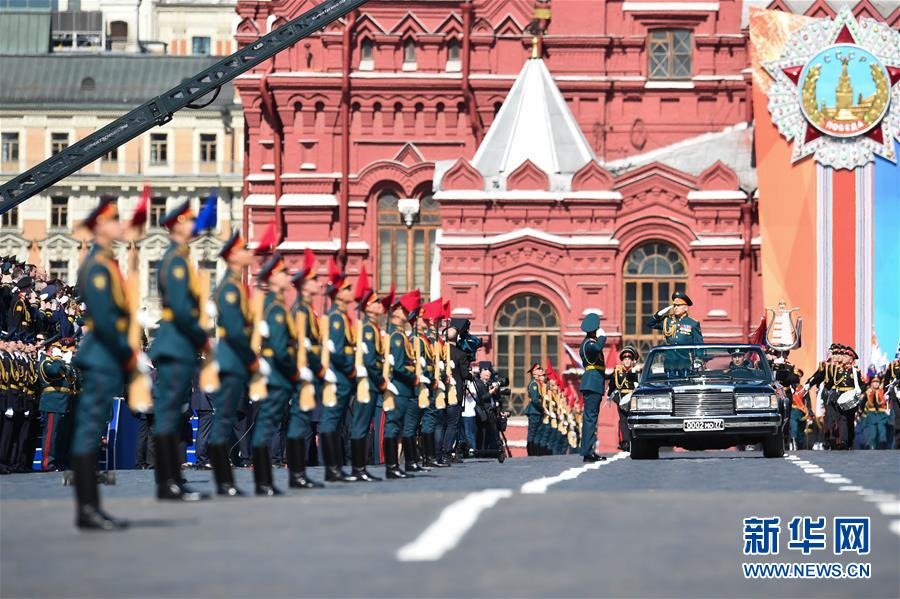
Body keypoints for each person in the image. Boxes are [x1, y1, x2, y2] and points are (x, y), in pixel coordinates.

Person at [69, 195, 138, 530]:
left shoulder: (107, 261)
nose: (120, 226)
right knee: (88, 430)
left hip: (107, 352)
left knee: (93, 428)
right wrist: (127, 354)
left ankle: (92, 507)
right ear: (100, 227)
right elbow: (105, 315)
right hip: (102, 352)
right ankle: (86, 509)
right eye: (114, 221)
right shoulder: (97, 264)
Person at [148, 200, 209, 501]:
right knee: (169, 415)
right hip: (175, 341)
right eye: (190, 221)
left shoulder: (181, 258)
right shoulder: (174, 260)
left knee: (176, 415)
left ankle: (173, 479)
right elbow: (182, 308)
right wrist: (204, 339)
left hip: (181, 342)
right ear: (176, 225)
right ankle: (167, 481)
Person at [208, 231, 266, 496]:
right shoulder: (230, 289)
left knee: (225, 417)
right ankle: (223, 481)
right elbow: (235, 328)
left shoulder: (235, 287)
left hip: (234, 360)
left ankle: (225, 480)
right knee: (223, 420)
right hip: (232, 360)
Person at [253, 252, 297, 495]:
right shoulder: (275, 308)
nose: (287, 277)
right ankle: (263, 480)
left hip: (276, 371)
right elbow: (280, 347)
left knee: (269, 424)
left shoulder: (275, 305)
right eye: (282, 273)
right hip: (276, 372)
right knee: (267, 425)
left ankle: (264, 479)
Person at [286, 249, 324, 489]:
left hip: (308, 376)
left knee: (305, 424)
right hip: (300, 376)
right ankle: (296, 471)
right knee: (300, 424)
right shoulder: (300, 311)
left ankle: (300, 471)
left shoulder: (308, 312)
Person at [320, 262, 358, 482]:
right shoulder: (335, 318)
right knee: (330, 422)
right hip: (338, 376)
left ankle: (335, 467)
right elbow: (335, 350)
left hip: (342, 377)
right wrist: (350, 368)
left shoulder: (342, 317)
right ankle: (331, 468)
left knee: (336, 423)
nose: (350, 293)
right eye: (346, 289)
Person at [347, 269, 384, 481]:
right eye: (376, 302)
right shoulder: (368, 329)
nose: (380, 306)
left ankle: (359, 467)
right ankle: (357, 468)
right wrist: (381, 381)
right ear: (368, 306)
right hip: (366, 384)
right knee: (360, 426)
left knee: (362, 425)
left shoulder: (371, 328)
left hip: (369, 383)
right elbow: (370, 361)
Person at [384, 290, 419, 479]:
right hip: (400, 386)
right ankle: (391, 466)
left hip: (403, 388)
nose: (408, 315)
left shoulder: (399, 335)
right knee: (394, 426)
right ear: (396, 312)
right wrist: (413, 376)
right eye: (405, 311)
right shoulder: (397, 337)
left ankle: (394, 465)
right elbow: (398, 365)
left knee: (397, 426)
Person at [804, 344, 865, 450]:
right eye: (839, 354)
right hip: (838, 396)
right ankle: (842, 441)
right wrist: (812, 384)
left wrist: (859, 392)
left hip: (852, 398)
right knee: (841, 419)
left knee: (849, 420)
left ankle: (848, 440)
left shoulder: (855, 371)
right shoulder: (836, 369)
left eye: (845, 356)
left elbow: (862, 384)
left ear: (851, 359)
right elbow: (824, 377)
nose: (841, 357)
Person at [645, 291, 703, 374]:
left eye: (678, 306)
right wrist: (659, 314)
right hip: (670, 362)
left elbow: (699, 344)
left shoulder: (693, 323)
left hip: (685, 362)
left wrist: (698, 359)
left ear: (686, 308)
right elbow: (649, 324)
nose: (675, 308)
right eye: (674, 305)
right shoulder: (667, 321)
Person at [38, 337, 73, 471]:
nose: (58, 352)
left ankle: (56, 460)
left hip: (61, 401)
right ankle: (47, 463)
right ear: (49, 351)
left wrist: (66, 362)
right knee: (50, 435)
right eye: (55, 350)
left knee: (57, 435)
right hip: (52, 401)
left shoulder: (56, 363)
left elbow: (68, 376)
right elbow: (52, 372)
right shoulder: (45, 362)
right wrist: (58, 359)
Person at [578, 312, 606, 462]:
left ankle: (589, 450)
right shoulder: (589, 344)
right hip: (592, 383)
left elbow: (598, 367)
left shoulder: (588, 343)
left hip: (593, 381)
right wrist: (602, 337)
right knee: (590, 418)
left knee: (591, 419)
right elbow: (597, 348)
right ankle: (588, 452)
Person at [444, 320, 470, 463]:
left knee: (440, 424)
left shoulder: (440, 350)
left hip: (441, 393)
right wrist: (470, 374)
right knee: (453, 424)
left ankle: (437, 452)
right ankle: (447, 451)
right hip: (455, 392)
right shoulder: (461, 354)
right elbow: (465, 375)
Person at [610, 346, 640, 452]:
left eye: (629, 359)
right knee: (623, 420)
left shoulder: (635, 371)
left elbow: (637, 383)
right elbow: (613, 385)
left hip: (634, 399)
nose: (627, 361)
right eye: (625, 359)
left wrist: (633, 371)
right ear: (622, 361)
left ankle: (635, 440)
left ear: (632, 361)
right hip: (622, 399)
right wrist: (614, 397)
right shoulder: (618, 372)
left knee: (633, 420)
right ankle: (625, 442)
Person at [858, 374, 890, 449]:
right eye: (874, 382)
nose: (876, 383)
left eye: (877, 382)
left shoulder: (882, 391)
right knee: (872, 433)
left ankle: (882, 446)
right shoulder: (868, 392)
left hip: (881, 414)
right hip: (871, 415)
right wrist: (860, 412)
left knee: (882, 431)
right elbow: (863, 403)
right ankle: (873, 447)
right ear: (871, 383)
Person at [524, 363, 544, 456]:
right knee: (532, 432)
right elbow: (535, 400)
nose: (541, 370)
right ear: (533, 372)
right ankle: (531, 451)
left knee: (537, 433)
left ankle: (536, 451)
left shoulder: (538, 383)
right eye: (538, 369)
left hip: (538, 411)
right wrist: (543, 408)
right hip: (534, 411)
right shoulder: (533, 384)